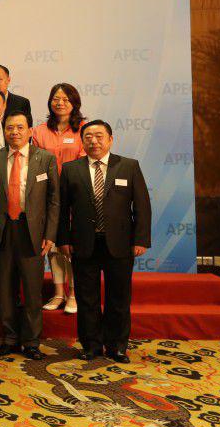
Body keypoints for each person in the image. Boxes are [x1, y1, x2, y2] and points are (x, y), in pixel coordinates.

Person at [57, 120, 151, 363]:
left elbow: (142, 205)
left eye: (99, 136)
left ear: (110, 139)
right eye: (88, 136)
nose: (93, 141)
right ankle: (91, 346)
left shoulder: (128, 166)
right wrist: (63, 239)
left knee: (118, 298)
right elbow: (62, 208)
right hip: (83, 243)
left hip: (120, 243)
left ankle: (117, 346)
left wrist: (141, 239)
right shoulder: (71, 169)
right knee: (86, 298)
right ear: (82, 141)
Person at [0, 111, 59, 361]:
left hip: (33, 233)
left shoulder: (45, 159)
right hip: (3, 230)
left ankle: (31, 341)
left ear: (30, 131)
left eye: (20, 127)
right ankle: (9, 338)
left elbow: (54, 200)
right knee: (5, 289)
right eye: (9, 128)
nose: (14, 132)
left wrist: (50, 234)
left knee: (32, 290)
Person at [32, 83, 86, 315]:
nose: (60, 103)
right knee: (52, 246)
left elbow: (84, 163)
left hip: (75, 195)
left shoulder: (83, 129)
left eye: (65, 99)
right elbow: (35, 163)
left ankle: (73, 294)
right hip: (48, 196)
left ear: (74, 102)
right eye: (56, 98)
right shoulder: (39, 131)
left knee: (70, 247)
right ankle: (58, 293)